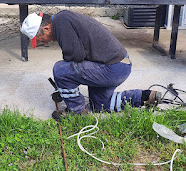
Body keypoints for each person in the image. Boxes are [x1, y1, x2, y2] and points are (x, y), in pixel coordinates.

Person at [21, 10, 161, 114]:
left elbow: (76, 56)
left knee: (61, 70)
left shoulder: (61, 21)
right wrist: (65, 88)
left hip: (112, 68)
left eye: (41, 39)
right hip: (119, 65)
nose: (44, 42)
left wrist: (64, 88)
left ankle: (77, 112)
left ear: (46, 28)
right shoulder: (63, 21)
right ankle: (145, 96)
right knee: (100, 105)